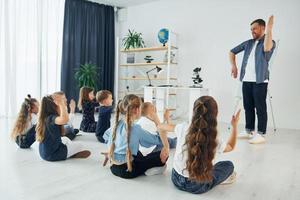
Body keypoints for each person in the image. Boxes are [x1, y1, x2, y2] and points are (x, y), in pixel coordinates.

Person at [158, 96, 241, 194]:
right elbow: (230, 146)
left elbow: (160, 127)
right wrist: (235, 126)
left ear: (194, 112)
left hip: (176, 179)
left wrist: (166, 147)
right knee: (228, 165)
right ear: (215, 115)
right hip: (198, 186)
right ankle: (217, 181)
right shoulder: (214, 137)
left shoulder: (183, 127)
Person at [229, 16, 276, 144]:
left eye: (254, 28)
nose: (252, 31)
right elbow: (232, 52)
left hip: (260, 80)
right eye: (251, 29)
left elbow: (266, 48)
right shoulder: (249, 43)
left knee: (260, 107)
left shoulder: (269, 41)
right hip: (246, 80)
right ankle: (249, 130)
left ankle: (261, 133)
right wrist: (234, 65)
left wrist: (270, 29)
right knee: (248, 106)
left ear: (262, 28)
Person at [106, 94, 170, 179]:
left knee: (136, 152)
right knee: (164, 153)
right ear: (137, 110)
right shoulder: (136, 128)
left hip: (113, 167)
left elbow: (107, 137)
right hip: (129, 171)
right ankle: (147, 169)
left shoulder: (117, 123)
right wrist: (155, 118)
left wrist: (110, 153)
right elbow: (160, 140)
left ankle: (143, 165)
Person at [36, 92, 90, 161]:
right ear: (54, 106)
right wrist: (61, 105)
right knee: (80, 145)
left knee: (66, 139)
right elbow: (65, 120)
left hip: (43, 153)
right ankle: (69, 153)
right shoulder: (51, 118)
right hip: (53, 154)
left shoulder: (45, 118)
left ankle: (69, 151)